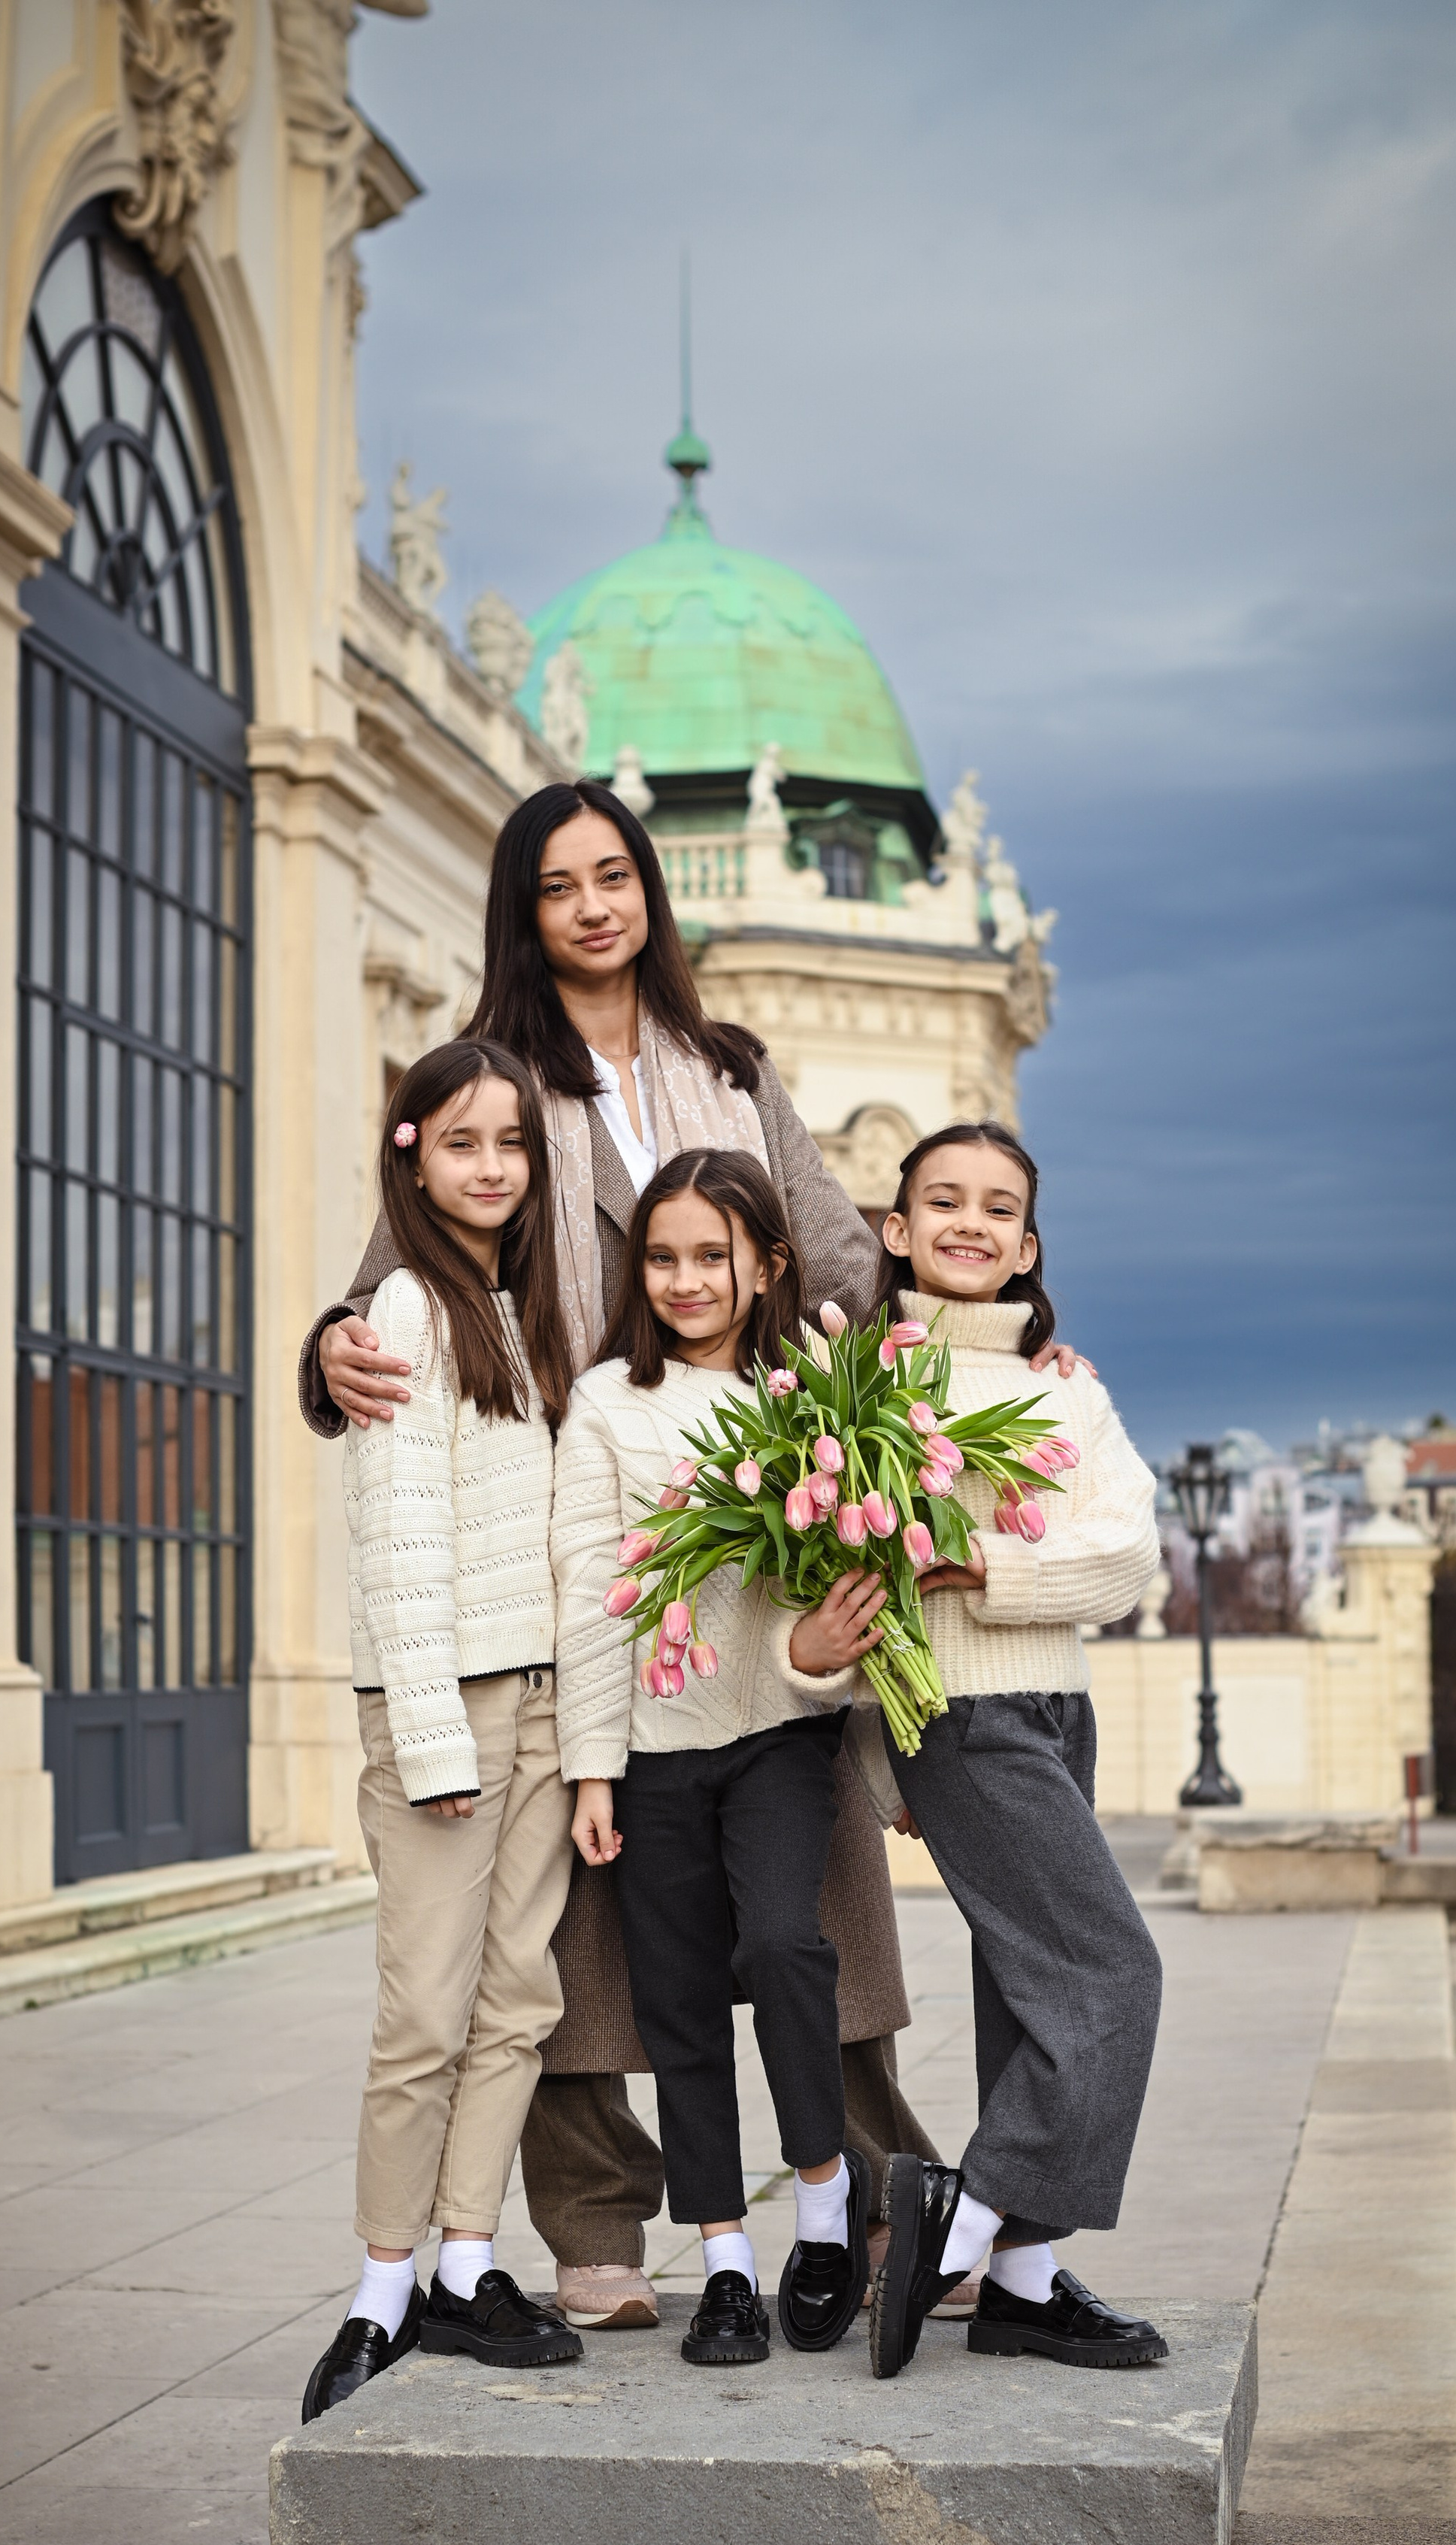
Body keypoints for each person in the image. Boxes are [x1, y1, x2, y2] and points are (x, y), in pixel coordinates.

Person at [298, 783, 1022, 2325]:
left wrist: (988, 1352)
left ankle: (880, 2195)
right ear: (525, 908)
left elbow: (839, 1258)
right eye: (555, 884)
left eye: (611, 875)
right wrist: (326, 1349)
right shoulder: (499, 1079)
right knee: (573, 1916)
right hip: (584, 1530)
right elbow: (392, 1279)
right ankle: (596, 2224)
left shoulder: (730, 1070)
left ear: (646, 893)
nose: (591, 905)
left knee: (805, 1903)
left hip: (753, 1548)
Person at [856, 1121, 1171, 2381]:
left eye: (998, 1209)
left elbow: (1130, 1555)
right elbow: (836, 1579)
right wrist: (885, 1760)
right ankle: (965, 2227)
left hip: (1057, 1710)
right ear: (897, 1230)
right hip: (958, 1712)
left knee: (1032, 1991)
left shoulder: (1065, 1389)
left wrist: (986, 1563)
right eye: (943, 1202)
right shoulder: (863, 1389)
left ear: (1029, 1246)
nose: (970, 1225)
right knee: (1114, 1975)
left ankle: (1027, 2288)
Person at [553, 1149, 879, 2365]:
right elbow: (590, 1596)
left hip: (781, 1739)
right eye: (662, 1256)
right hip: (650, 1754)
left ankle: (825, 2211)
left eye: (711, 1256)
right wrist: (593, 1769)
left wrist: (808, 1655)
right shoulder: (605, 1406)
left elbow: (851, 1594)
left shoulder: (820, 1401)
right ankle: (725, 2267)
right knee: (678, 2005)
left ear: (767, 1265)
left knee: (785, 1948)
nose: (685, 1279)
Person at [301, 1039, 584, 2423]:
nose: (492, 1167)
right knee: (423, 2010)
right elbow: (398, 1545)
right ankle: (380, 2286)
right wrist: (433, 1740)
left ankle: (470, 2263)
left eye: (512, 1146)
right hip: (447, 1707)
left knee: (518, 1998)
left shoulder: (517, 1310)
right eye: (464, 1142)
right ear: (411, 1148)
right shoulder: (405, 1307)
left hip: (538, 1700)